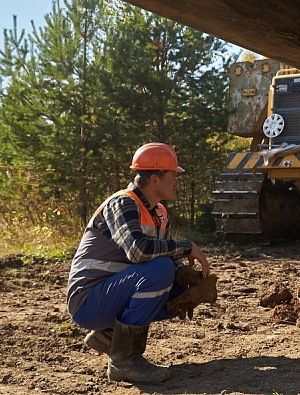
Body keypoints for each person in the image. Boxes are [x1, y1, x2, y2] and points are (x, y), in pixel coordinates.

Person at [66, 142, 211, 384]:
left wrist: (185, 274)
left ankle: (108, 335)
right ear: (155, 178)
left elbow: (161, 257)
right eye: (173, 175)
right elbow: (138, 252)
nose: (177, 182)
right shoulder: (122, 203)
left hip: (112, 293)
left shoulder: (160, 212)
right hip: (88, 301)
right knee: (160, 271)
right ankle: (124, 362)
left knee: (180, 287)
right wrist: (187, 247)